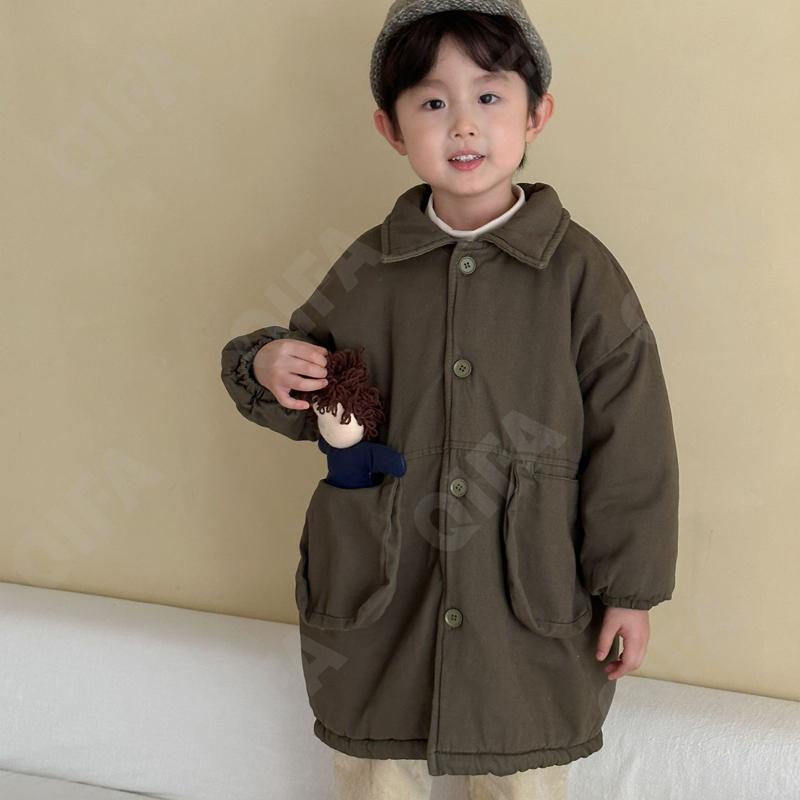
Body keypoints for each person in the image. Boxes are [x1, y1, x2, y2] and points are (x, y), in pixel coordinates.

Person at [220, 1, 680, 798]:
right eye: (432, 102)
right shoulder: (368, 268)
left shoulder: (581, 276)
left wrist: (630, 593)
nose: (463, 124)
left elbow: (633, 440)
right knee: (376, 764)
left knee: (520, 766)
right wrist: (264, 362)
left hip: (527, 596)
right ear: (391, 130)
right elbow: (313, 389)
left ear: (537, 114)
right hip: (381, 584)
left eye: (489, 96)